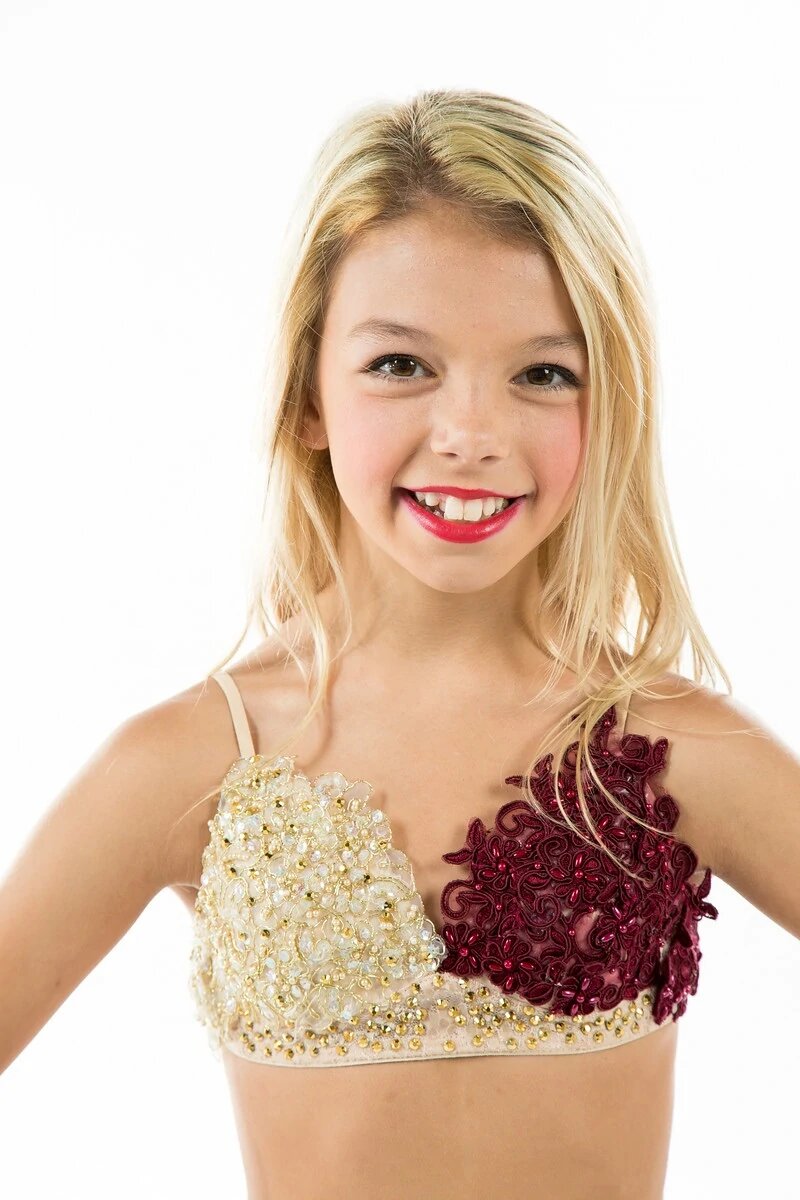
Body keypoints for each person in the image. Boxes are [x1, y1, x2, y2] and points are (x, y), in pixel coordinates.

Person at [1, 87, 798, 1200]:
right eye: (400, 365)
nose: (470, 433)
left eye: (541, 373)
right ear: (307, 396)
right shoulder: (188, 763)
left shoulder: (678, 752)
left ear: (606, 402)